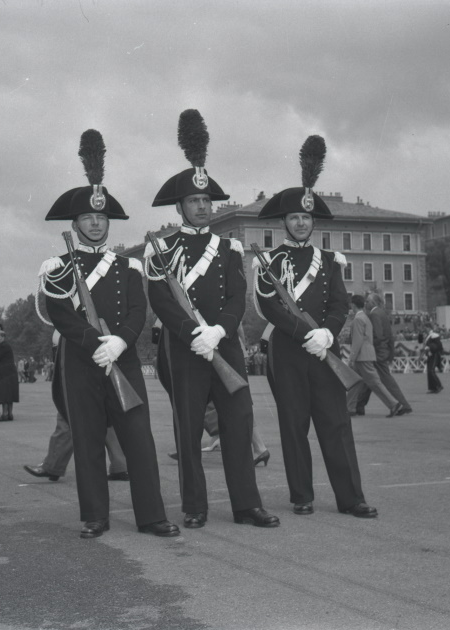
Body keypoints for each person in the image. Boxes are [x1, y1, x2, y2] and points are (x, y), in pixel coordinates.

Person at [37, 128, 178, 539]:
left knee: (139, 441)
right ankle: (95, 516)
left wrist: (119, 342)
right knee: (87, 440)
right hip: (82, 363)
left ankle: (151, 516)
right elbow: (60, 314)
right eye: (88, 218)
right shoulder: (57, 267)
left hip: (124, 360)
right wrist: (94, 343)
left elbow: (138, 311)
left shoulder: (128, 266)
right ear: (75, 223)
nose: (96, 224)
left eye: (101, 218)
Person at [145, 110, 279, 530]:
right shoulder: (161, 249)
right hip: (184, 349)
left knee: (238, 423)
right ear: (180, 207)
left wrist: (219, 330)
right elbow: (160, 300)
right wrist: (193, 334)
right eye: (194, 202)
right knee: (188, 430)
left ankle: (247, 505)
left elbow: (238, 296)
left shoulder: (228, 248)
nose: (202, 207)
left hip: (225, 346)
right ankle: (195, 506)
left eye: (206, 201)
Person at [254, 135, 377, 518]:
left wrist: (327, 333)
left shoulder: (329, 260)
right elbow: (269, 306)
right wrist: (303, 334)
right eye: (294, 218)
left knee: (336, 424)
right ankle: (301, 496)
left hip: (325, 350)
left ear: (313, 222)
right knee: (294, 426)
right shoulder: (269, 261)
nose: (301, 223)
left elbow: (340, 303)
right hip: (288, 352)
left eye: (306, 218)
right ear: (284, 222)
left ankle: (351, 498)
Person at [24, 331, 129, 482]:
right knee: (108, 420)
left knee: (67, 416)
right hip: (98, 366)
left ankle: (52, 465)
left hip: (83, 368)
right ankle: (121, 465)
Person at [355, 293, 412, 416]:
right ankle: (359, 405)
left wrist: (368, 344)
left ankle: (403, 405)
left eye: (368, 301)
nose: (366, 303)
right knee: (369, 379)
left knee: (384, 380)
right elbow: (389, 335)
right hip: (382, 351)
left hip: (377, 353)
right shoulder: (381, 313)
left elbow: (378, 335)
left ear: (373, 303)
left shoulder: (374, 314)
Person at [0, 329, 19, 421]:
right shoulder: (5, 345)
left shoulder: (3, 346)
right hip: (9, 371)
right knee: (9, 393)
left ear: (3, 337)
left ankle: (5, 414)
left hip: (5, 372)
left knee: (4, 393)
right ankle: (9, 414)